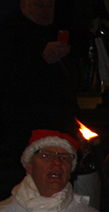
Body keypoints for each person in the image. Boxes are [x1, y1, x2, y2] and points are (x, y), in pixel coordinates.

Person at [0, 0, 80, 194]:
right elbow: (8, 76)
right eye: (38, 5)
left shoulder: (57, 30)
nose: (45, 11)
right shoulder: (9, 32)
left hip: (57, 119)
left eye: (50, 6)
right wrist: (41, 60)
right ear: (23, 5)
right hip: (21, 123)